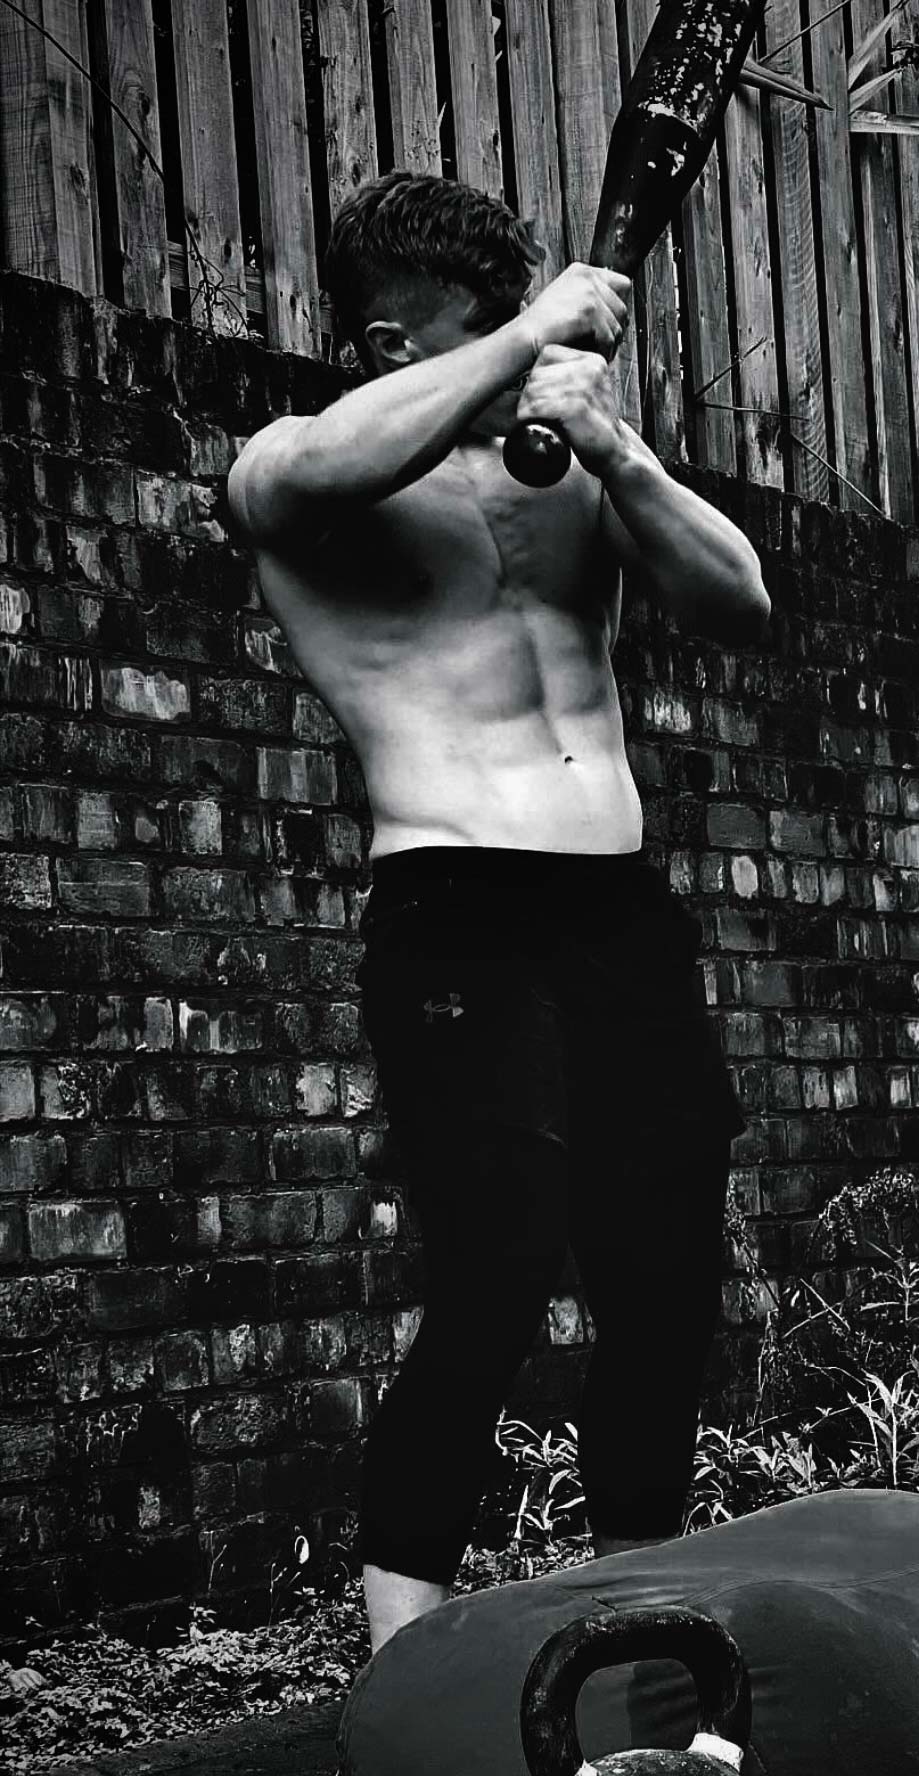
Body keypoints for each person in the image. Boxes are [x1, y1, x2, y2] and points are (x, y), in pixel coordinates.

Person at [225, 171, 768, 1657]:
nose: (527, 367)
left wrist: (620, 450)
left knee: (663, 1282)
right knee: (497, 1275)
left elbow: (743, 605)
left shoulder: (568, 466)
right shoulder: (301, 470)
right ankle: (402, 1669)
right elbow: (324, 462)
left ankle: (641, 1633)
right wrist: (532, 330)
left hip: (619, 913)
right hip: (456, 903)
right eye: (492, 336)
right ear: (398, 342)